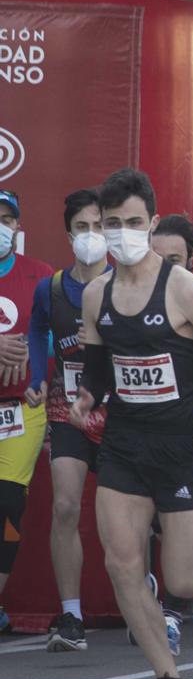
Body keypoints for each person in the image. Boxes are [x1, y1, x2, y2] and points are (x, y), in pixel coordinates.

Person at [71, 168, 193, 679]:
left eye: (131, 222)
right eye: (110, 224)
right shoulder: (97, 294)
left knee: (181, 581)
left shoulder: (182, 288)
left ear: (151, 223)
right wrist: (85, 395)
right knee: (122, 563)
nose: (120, 233)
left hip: (180, 447)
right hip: (125, 445)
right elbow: (101, 369)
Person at [32, 189, 107, 650]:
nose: (92, 236)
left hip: (120, 409)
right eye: (83, 228)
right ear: (69, 235)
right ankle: (71, 616)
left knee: (132, 515)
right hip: (67, 407)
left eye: (100, 227)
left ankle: (150, 598)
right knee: (64, 506)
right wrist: (39, 376)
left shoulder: (125, 284)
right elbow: (38, 328)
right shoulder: (54, 288)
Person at [0, 188, 51, 637]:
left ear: (17, 227)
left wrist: (40, 375)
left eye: (5, 218)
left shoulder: (40, 277)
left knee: (8, 499)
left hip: (21, 408)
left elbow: (56, 339)